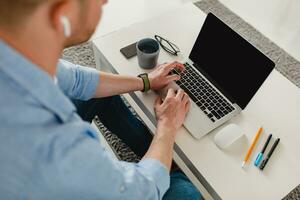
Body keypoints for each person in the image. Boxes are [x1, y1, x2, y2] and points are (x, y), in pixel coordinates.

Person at [0, 0, 201, 199]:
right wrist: (167, 125)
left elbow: (78, 80)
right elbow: (142, 190)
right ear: (64, 14)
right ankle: (169, 164)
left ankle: (154, 151)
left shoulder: (14, 51)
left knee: (99, 94)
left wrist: (147, 81)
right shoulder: (53, 148)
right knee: (186, 191)